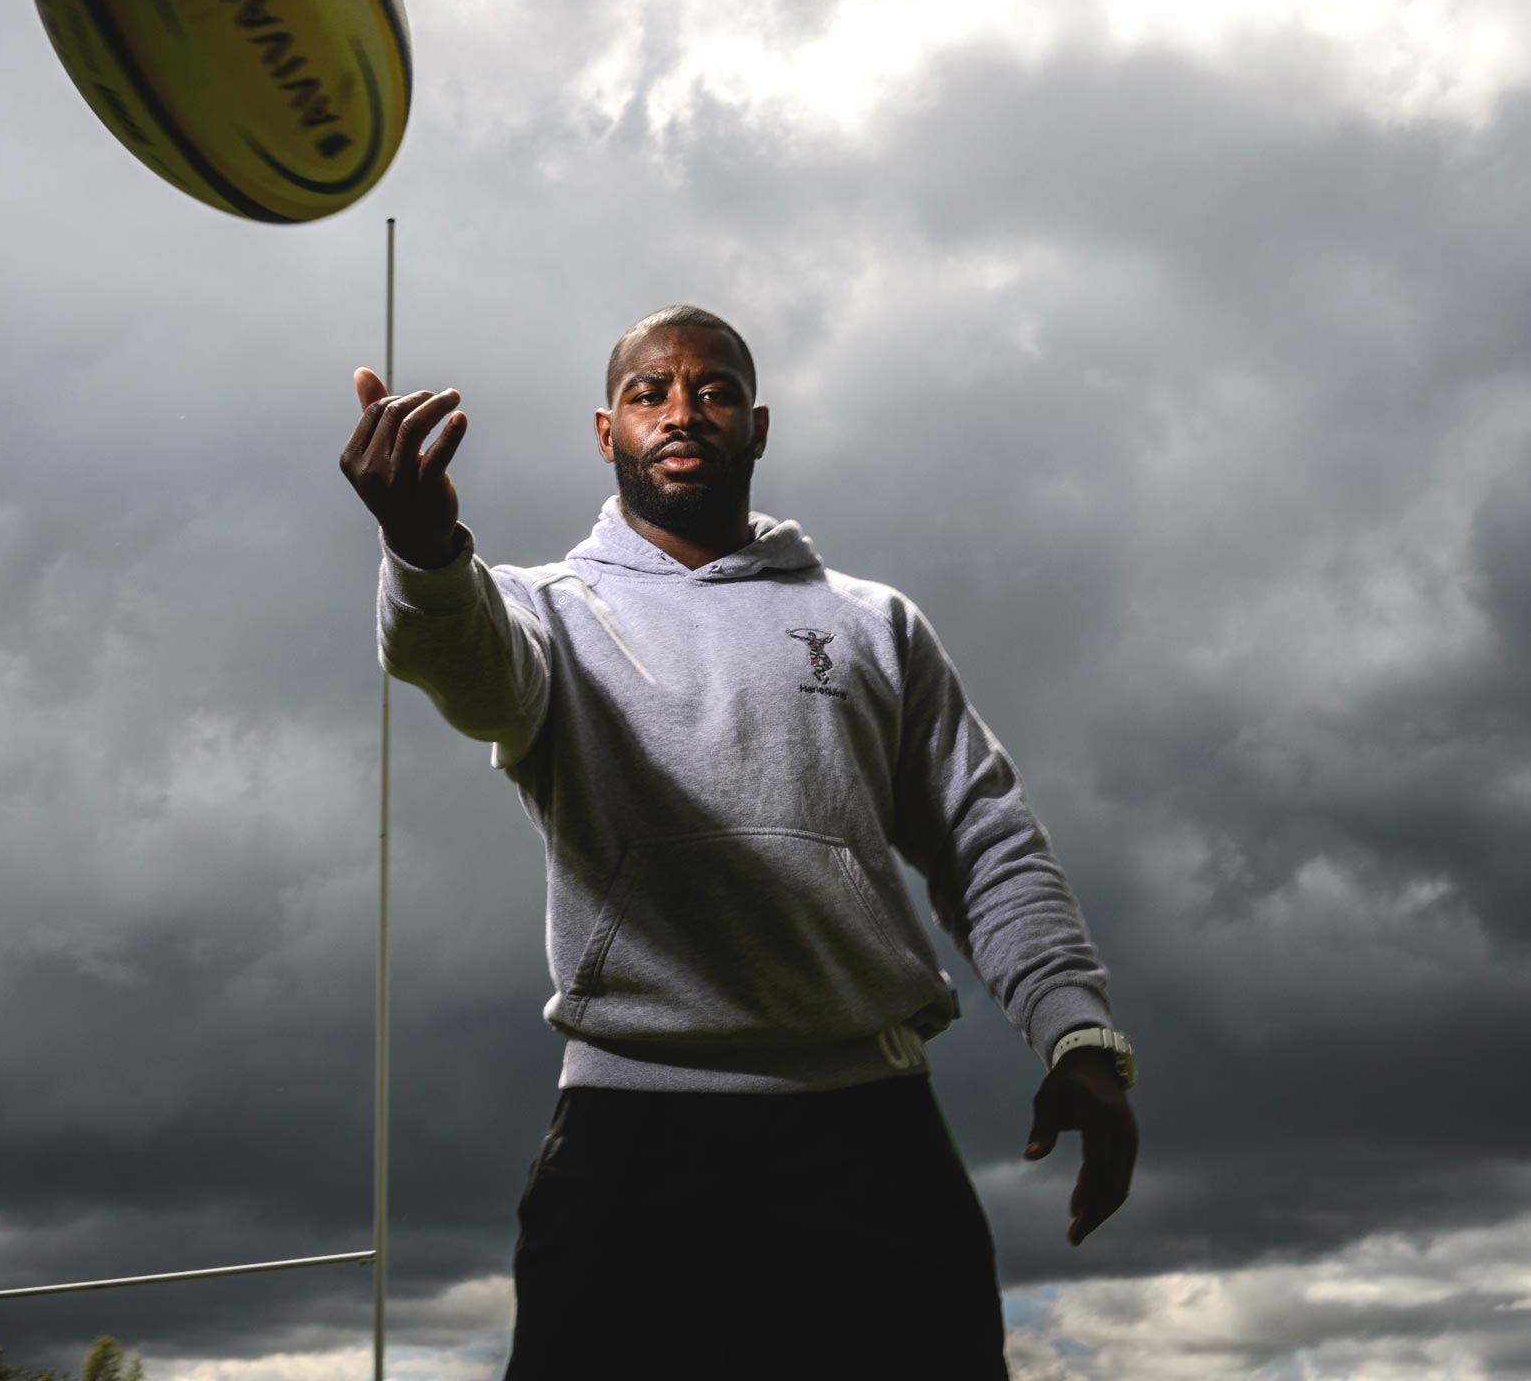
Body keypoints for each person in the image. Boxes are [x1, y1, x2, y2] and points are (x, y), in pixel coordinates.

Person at [338, 305, 1138, 1379]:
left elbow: (981, 838)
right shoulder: (544, 611)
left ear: (755, 428)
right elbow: (467, 666)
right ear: (604, 430)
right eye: (648, 392)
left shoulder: (870, 624)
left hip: (867, 1135)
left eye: (711, 391)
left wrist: (1075, 1036)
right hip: (631, 1141)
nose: (680, 411)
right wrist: (422, 544)